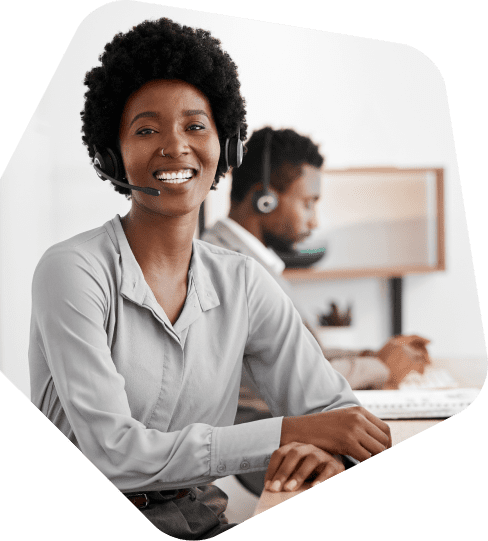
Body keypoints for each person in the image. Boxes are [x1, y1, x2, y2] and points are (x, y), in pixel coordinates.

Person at [29, 20, 391, 540]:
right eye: (146, 129)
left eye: (195, 126)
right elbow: (111, 455)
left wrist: (321, 448)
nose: (175, 146)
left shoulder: (243, 282)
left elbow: (333, 411)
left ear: (228, 146)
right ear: (112, 154)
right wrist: (291, 431)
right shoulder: (73, 270)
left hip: (199, 518)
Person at [202, 126, 428, 496]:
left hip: (291, 431)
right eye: (308, 202)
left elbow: (300, 352)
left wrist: (368, 354)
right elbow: (287, 377)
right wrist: (381, 366)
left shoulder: (253, 262)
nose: (314, 221)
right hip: (272, 446)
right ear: (265, 201)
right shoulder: (226, 267)